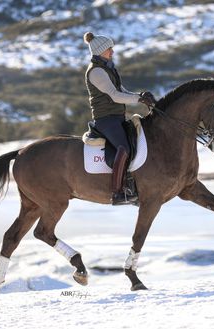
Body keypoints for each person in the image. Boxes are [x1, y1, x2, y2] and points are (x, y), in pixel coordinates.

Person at [84, 31, 156, 205]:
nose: (112, 51)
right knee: (124, 148)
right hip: (105, 119)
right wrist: (138, 99)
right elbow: (115, 96)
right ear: (100, 50)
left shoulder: (109, 68)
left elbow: (122, 91)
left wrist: (141, 95)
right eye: (109, 49)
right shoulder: (96, 72)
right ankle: (118, 192)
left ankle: (133, 184)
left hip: (117, 117)